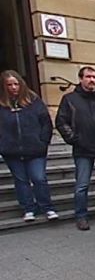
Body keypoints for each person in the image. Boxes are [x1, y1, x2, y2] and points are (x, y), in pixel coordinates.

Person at [55, 66, 95, 231]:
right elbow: (61, 121)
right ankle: (81, 216)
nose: (92, 80)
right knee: (82, 185)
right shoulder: (69, 99)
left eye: (94, 77)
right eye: (88, 77)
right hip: (83, 149)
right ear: (81, 79)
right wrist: (73, 138)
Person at [0, 70, 57, 222]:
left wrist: (43, 141)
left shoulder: (33, 101)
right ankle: (28, 208)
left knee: (39, 178)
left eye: (16, 84)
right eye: (9, 85)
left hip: (35, 148)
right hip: (11, 150)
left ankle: (47, 207)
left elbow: (46, 122)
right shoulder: (2, 104)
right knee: (21, 180)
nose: (13, 87)